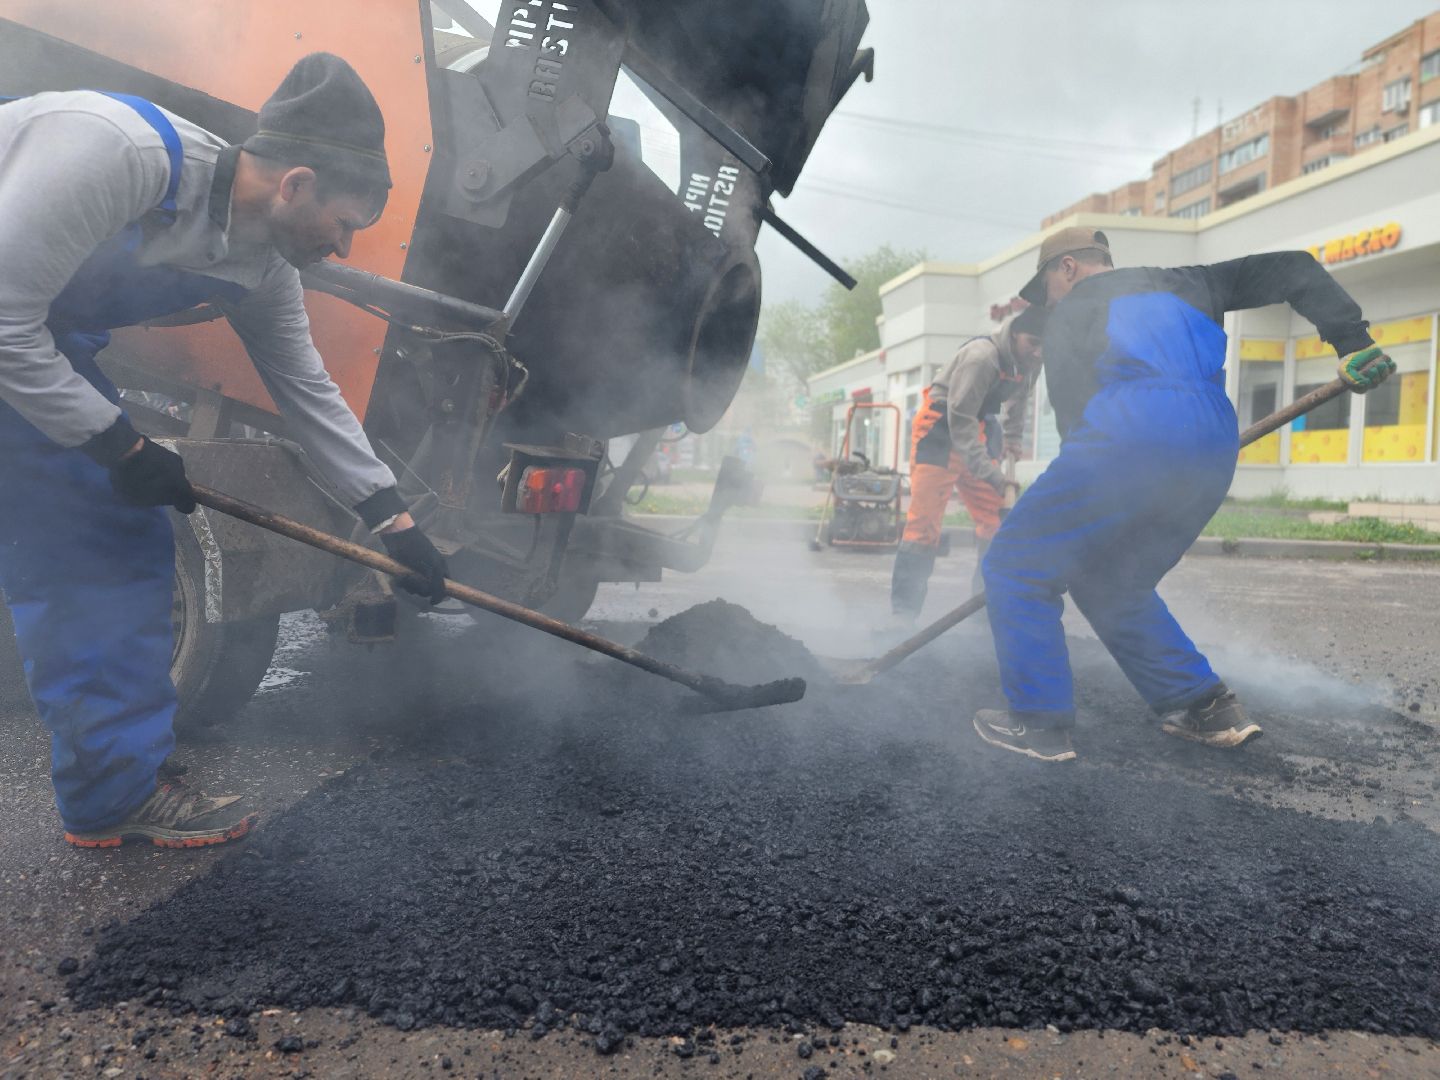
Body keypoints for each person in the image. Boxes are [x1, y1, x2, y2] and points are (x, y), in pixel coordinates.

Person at [0, 54, 452, 846]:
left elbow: (308, 393)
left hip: (33, 342)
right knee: (102, 524)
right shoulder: (117, 154)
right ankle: (113, 791)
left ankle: (112, 793)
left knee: (105, 534)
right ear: (296, 183)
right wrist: (121, 443)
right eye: (345, 225)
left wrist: (395, 523)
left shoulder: (262, 266)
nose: (345, 248)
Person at [974, 227, 1394, 762]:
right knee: (1113, 580)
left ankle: (1037, 725)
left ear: (1069, 269)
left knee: (1017, 563)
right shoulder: (1193, 282)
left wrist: (1081, 504)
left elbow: (1078, 418)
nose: (1049, 301)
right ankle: (1205, 706)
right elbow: (1295, 267)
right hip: (1212, 440)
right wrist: (1354, 342)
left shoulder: (1072, 312)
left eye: (1047, 286)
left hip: (1128, 431)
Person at [890, 306, 1045, 620]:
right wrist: (995, 475)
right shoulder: (981, 358)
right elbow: (959, 424)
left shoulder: (1031, 361)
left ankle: (983, 609)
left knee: (997, 520)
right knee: (924, 525)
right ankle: (902, 616)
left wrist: (1013, 439)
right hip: (940, 429)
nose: (1039, 352)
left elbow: (1019, 403)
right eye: (1033, 342)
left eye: (1045, 345)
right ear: (1015, 335)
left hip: (976, 428)